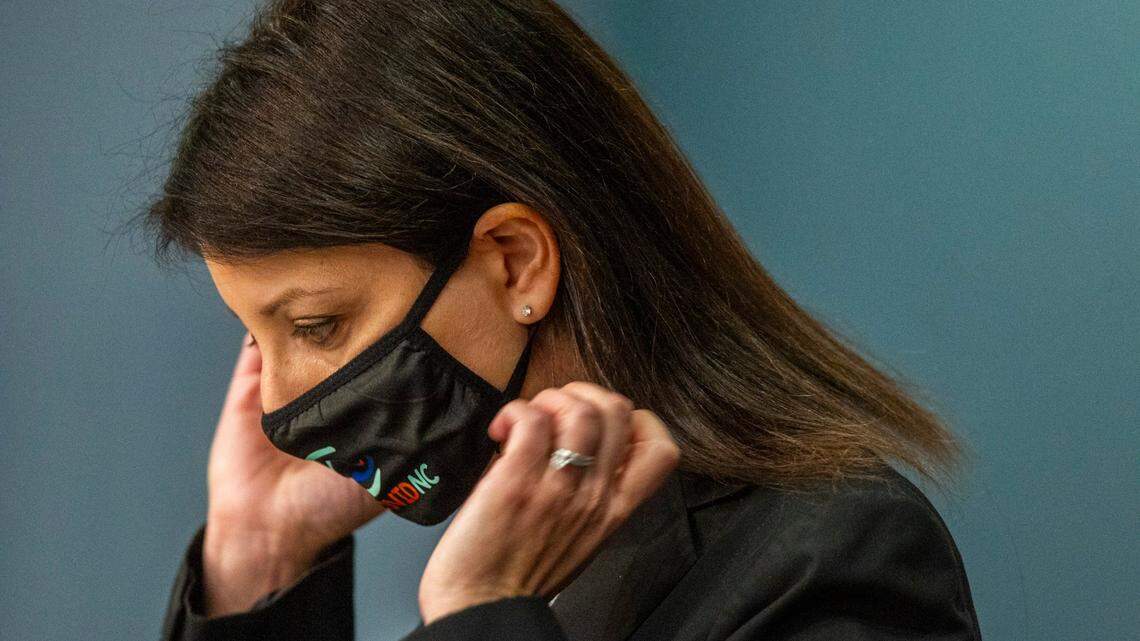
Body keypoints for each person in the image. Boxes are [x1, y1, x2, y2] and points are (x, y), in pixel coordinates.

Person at [141, 1, 982, 639]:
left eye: (317, 324)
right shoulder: (506, 573)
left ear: (516, 261)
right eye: (254, 336)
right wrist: (259, 558)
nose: (276, 405)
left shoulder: (838, 562)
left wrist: (481, 618)